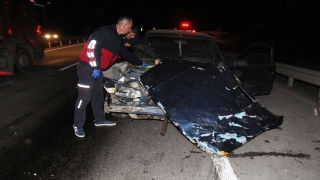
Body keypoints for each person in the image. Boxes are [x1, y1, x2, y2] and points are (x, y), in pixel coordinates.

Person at [73, 16, 147, 138]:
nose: (129, 31)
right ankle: (78, 124)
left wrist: (140, 63)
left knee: (98, 96)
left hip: (97, 70)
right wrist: (96, 66)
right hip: (87, 69)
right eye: (129, 28)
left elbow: (124, 52)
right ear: (124, 25)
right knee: (84, 98)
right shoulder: (103, 32)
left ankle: (99, 119)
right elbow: (92, 48)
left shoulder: (117, 39)